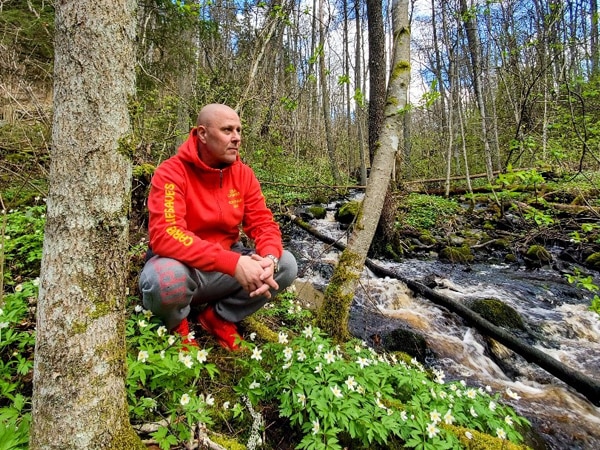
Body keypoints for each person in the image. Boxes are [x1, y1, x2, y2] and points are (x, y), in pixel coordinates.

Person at [139, 103, 298, 351]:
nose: (237, 138)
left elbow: (263, 223)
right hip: (183, 267)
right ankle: (176, 326)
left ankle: (218, 318)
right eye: (227, 130)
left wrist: (268, 257)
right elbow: (165, 235)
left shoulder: (243, 174)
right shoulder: (171, 172)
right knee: (166, 281)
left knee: (285, 264)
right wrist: (233, 263)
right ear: (202, 134)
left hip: (224, 268)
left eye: (238, 130)